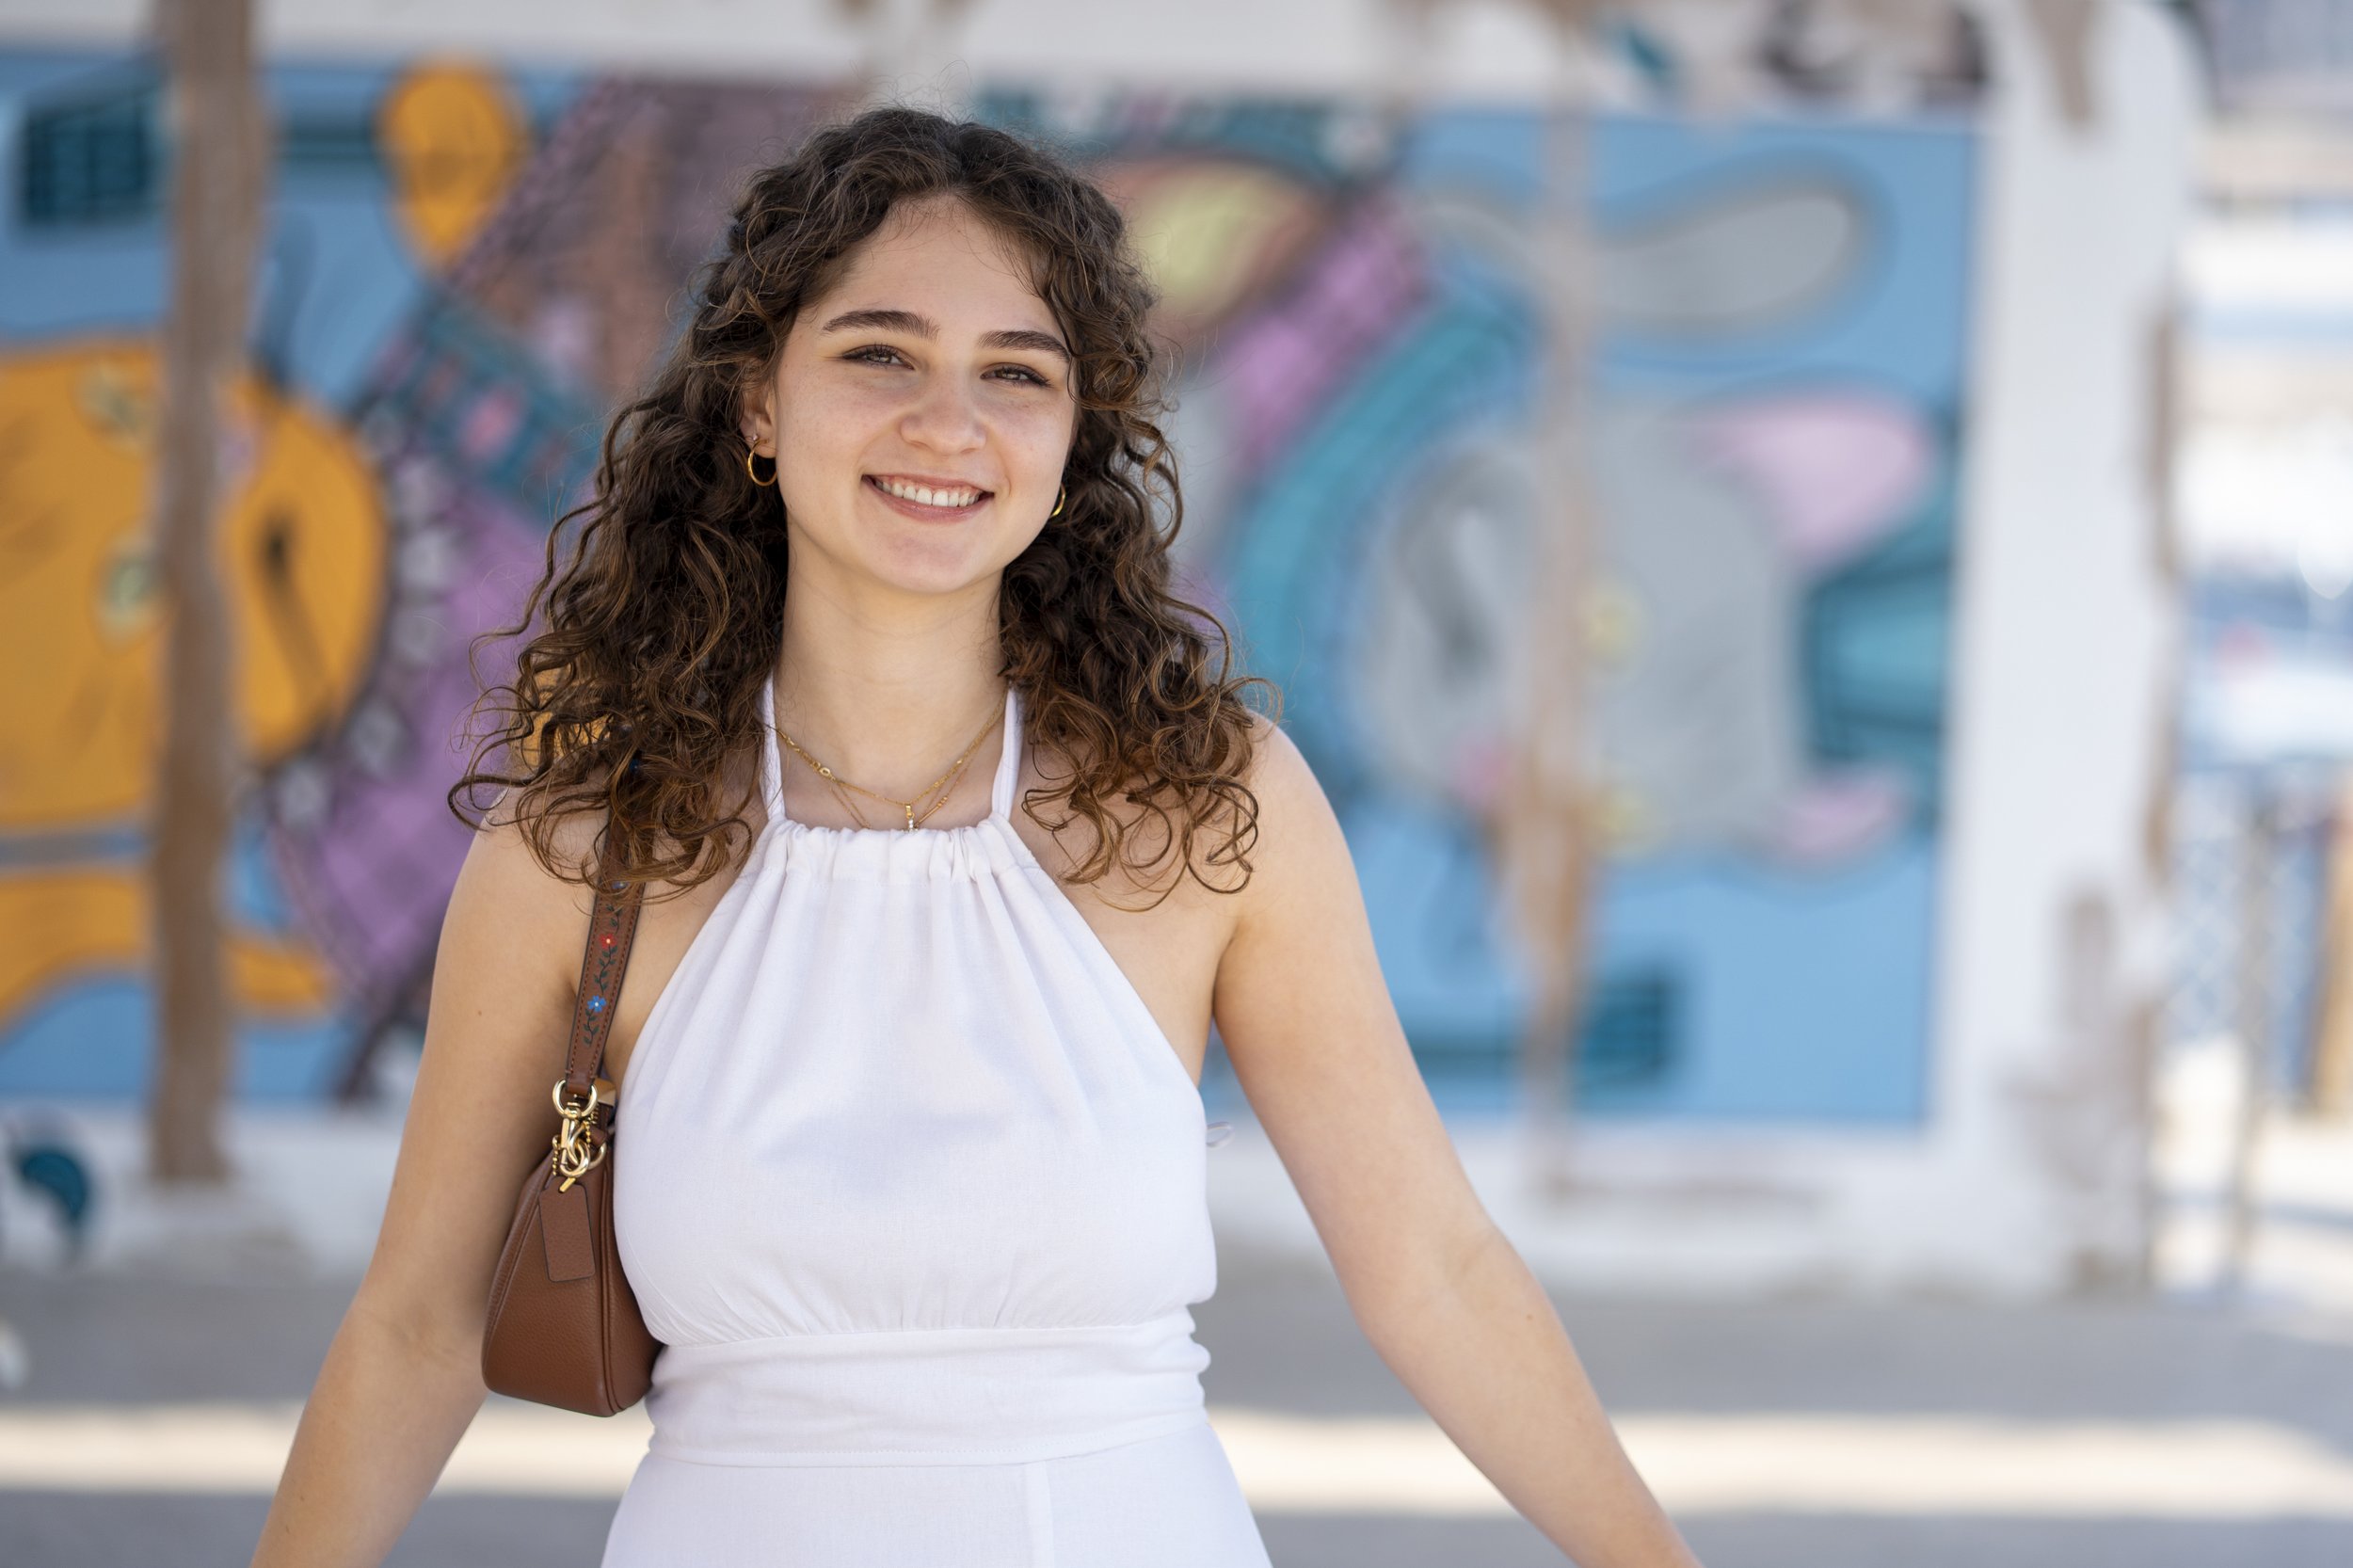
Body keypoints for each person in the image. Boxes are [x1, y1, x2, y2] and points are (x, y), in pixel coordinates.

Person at [249, 105, 1704, 1568]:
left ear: (1075, 438)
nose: (949, 425)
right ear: (758, 399)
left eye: (1016, 374)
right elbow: (418, 1326)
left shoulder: (1207, 807)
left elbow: (1438, 1272)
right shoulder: (584, 848)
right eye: (880, 352)